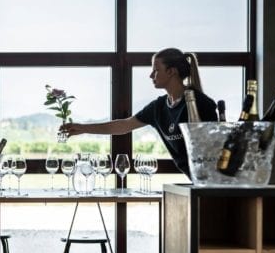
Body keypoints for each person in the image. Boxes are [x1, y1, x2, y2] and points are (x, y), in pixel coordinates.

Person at [61, 47, 218, 177]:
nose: (151, 75)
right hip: (196, 180)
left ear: (171, 72)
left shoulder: (201, 104)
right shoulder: (158, 107)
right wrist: (82, 128)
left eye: (156, 70)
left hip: (213, 180)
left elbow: (214, 151)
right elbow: (123, 125)